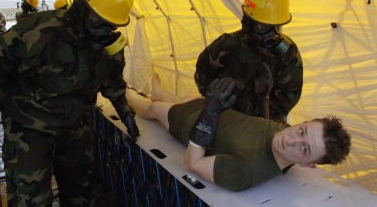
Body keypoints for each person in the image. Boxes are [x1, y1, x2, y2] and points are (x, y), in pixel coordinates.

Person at [0, 0, 139, 206]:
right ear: (81, 7)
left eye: (111, 25)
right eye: (97, 22)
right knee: (29, 200)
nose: (104, 31)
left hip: (77, 127)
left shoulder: (108, 45)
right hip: (29, 128)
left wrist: (125, 111)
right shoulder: (34, 33)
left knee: (82, 197)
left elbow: (113, 80)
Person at [126, 73, 351, 192]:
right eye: (301, 131)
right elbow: (263, 127)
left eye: (304, 149)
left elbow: (193, 164)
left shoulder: (246, 172)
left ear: (308, 165)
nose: (290, 140)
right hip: (211, 108)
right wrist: (264, 96)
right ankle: (158, 92)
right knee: (185, 98)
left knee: (154, 109)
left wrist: (210, 115)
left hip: (191, 123)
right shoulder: (284, 134)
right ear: (303, 122)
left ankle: (126, 94)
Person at [195, 0, 303, 124]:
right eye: (262, 25)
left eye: (276, 26)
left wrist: (259, 112)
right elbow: (203, 70)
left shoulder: (287, 53)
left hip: (266, 124)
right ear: (249, 21)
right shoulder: (229, 44)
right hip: (227, 119)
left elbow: (290, 95)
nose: (271, 33)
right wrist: (217, 102)